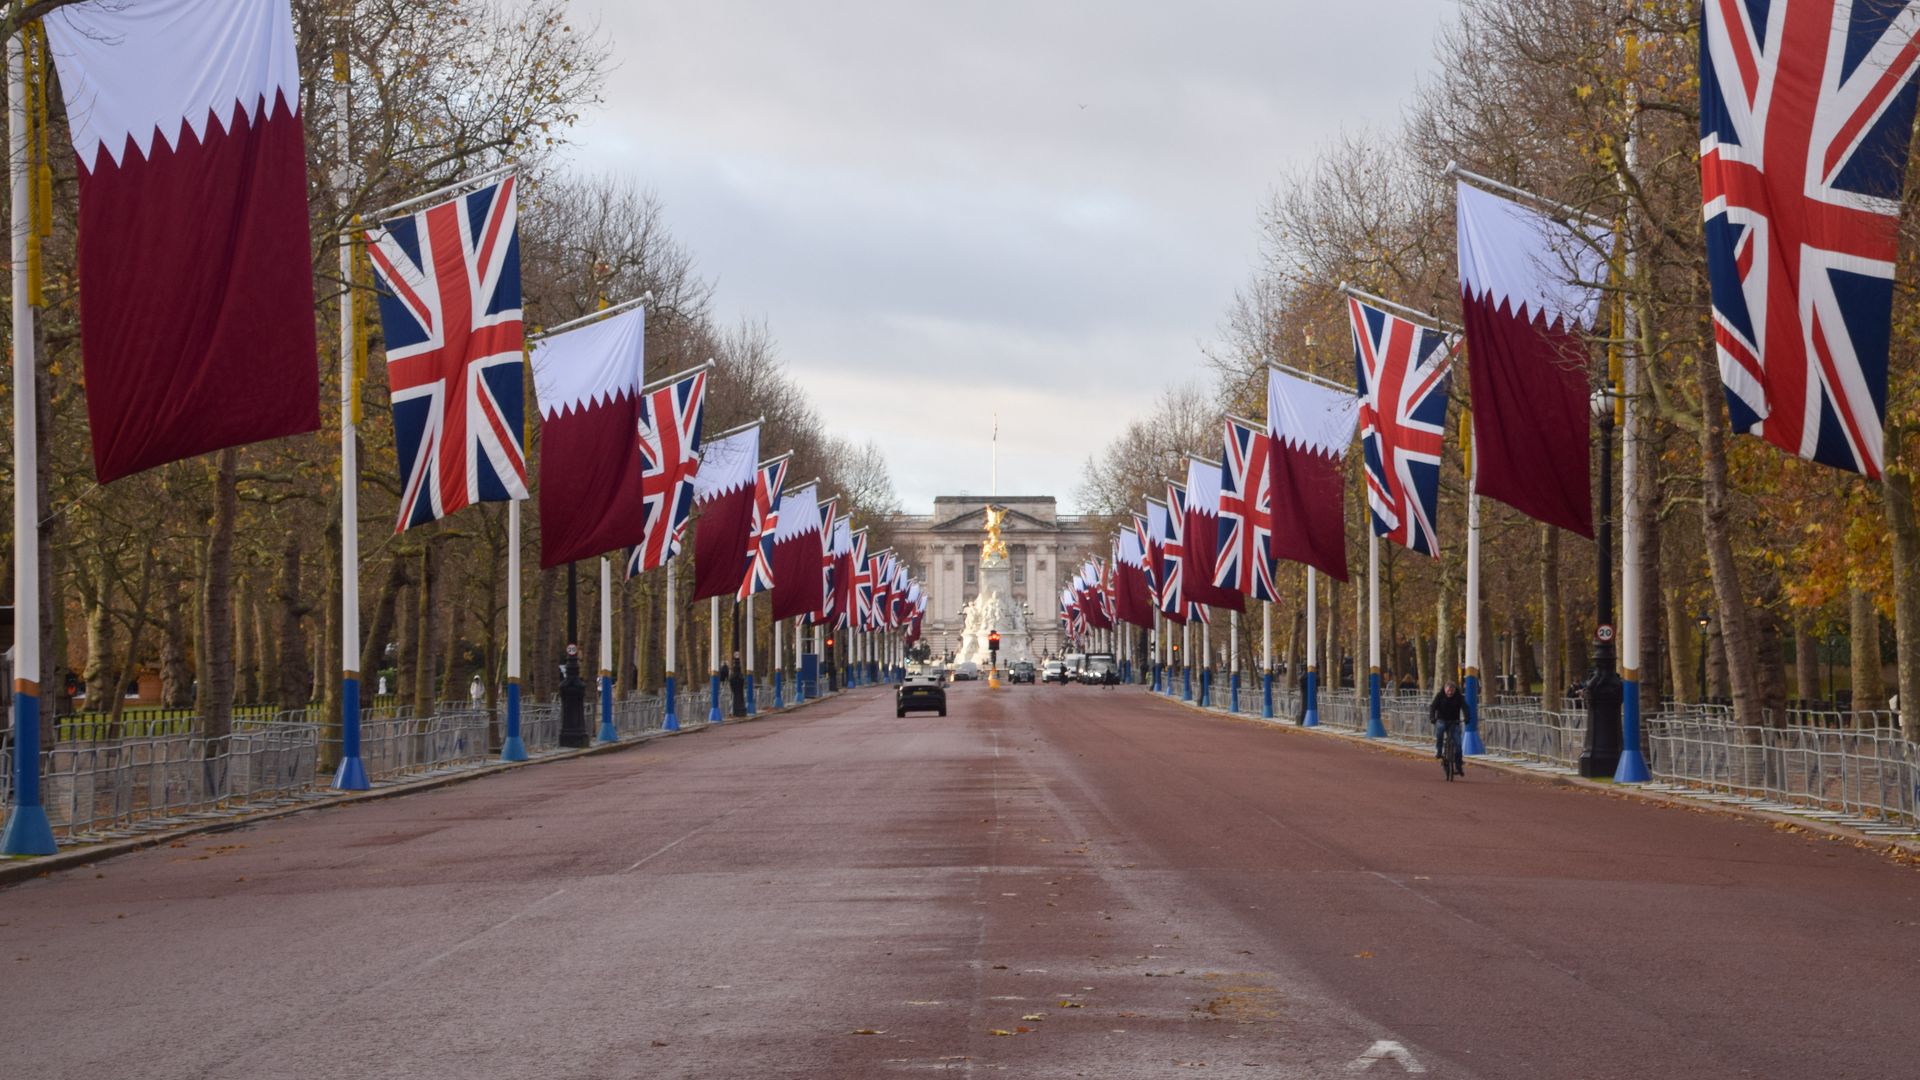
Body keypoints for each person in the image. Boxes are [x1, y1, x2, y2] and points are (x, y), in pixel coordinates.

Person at [1430, 680, 1467, 762]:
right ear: (1445, 689)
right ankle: (1439, 750)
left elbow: (1465, 707)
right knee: (1440, 731)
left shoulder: (1459, 696)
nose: (1450, 693)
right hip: (1442, 719)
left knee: (1457, 740)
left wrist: (1467, 717)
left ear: (1454, 690)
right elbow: (1433, 707)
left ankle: (1458, 759)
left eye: (1451, 691)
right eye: (1448, 691)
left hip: (1454, 720)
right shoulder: (1440, 695)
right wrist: (1432, 717)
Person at [728, 652, 746, 717]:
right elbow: (743, 682)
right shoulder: (740, 676)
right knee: (740, 700)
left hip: (735, 691)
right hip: (740, 692)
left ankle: (736, 712)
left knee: (735, 700)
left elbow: (730, 682)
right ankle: (740, 712)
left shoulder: (732, 676)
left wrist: (732, 689)